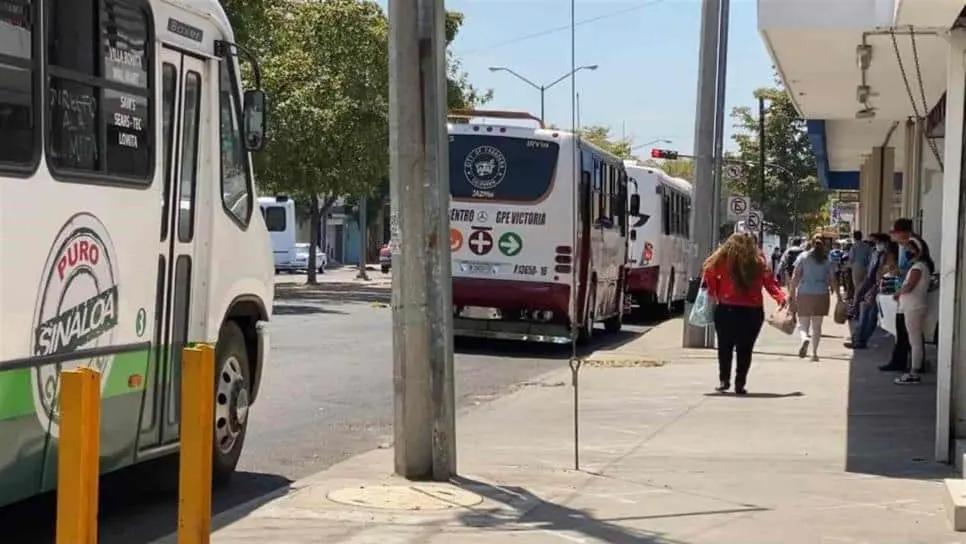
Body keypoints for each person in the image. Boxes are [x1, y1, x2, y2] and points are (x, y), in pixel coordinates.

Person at [703, 233, 787, 395]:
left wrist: (715, 292)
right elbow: (770, 283)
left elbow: (708, 271)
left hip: (726, 309)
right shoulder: (758, 261)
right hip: (752, 312)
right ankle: (740, 383)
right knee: (745, 349)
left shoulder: (722, 259)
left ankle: (724, 380)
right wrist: (780, 297)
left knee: (724, 347)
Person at [880, 218, 931, 372]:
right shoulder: (907, 251)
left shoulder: (918, 262)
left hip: (912, 300)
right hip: (906, 298)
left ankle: (914, 367)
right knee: (905, 333)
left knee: (911, 336)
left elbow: (911, 281)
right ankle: (907, 362)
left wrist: (900, 289)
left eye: (895, 232)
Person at [790, 236, 840, 361]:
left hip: (805, 292)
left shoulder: (803, 257)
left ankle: (804, 338)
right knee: (817, 326)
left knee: (803, 324)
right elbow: (833, 279)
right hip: (822, 294)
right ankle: (814, 353)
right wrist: (839, 297)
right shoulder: (827, 259)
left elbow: (795, 277)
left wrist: (791, 294)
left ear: (811, 244)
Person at [893, 237, 935, 384]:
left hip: (914, 307)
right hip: (915, 306)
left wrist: (898, 293)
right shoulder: (921, 266)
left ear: (917, 251)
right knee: (915, 340)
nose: (907, 252)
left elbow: (910, 286)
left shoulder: (918, 267)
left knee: (915, 341)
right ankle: (914, 370)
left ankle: (914, 372)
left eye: (909, 249)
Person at [846, 234, 896, 349]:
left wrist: (875, 288)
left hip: (879, 287)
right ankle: (858, 339)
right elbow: (870, 271)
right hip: (870, 284)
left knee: (871, 316)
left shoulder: (888, 255)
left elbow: (888, 271)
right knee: (865, 314)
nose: (877, 245)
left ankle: (861, 340)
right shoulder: (874, 253)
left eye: (879, 243)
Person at [849, 231, 873, 296]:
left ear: (854, 238)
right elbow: (870, 258)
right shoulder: (867, 247)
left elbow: (851, 259)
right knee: (864, 286)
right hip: (866, 268)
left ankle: (856, 303)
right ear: (861, 237)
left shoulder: (853, 247)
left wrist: (851, 266)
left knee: (857, 287)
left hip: (856, 268)